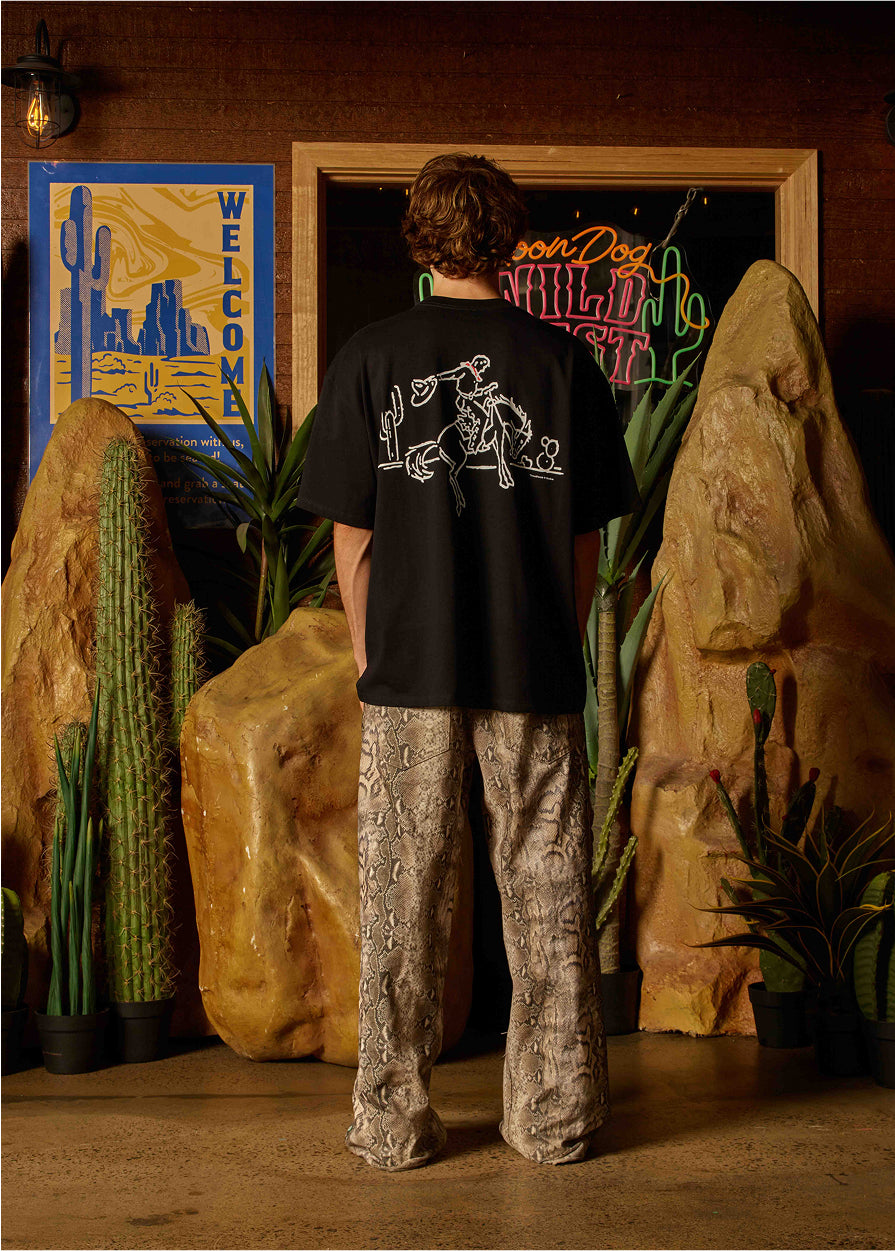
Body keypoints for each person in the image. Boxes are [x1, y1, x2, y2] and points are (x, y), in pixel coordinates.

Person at [297, 153, 639, 1171]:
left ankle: (393, 1121)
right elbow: (585, 542)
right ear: (510, 237)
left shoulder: (370, 356)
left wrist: (371, 649)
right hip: (530, 665)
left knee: (401, 894)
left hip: (410, 672)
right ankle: (554, 1117)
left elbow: (352, 538)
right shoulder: (562, 362)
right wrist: (554, 632)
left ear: (420, 235)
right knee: (547, 886)